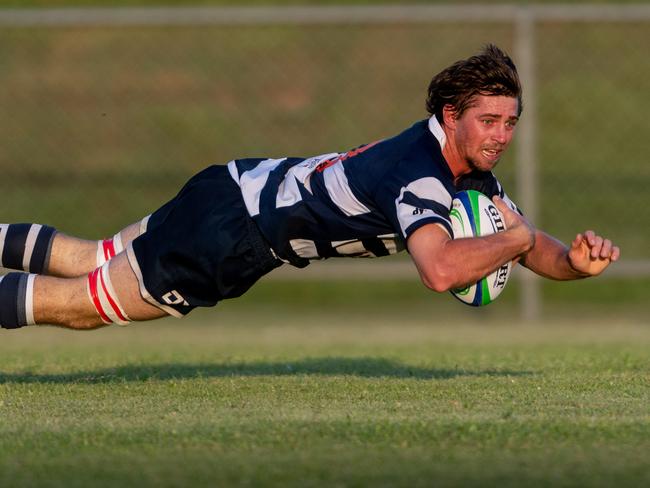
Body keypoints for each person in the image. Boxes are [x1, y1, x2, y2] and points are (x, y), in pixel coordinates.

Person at [0, 44, 619, 331]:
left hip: (233, 185)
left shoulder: (462, 165)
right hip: (235, 236)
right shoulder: (422, 177)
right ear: (451, 116)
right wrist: (511, 243)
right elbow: (441, 269)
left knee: (96, 258)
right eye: (490, 121)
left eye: (511, 122)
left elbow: (522, 237)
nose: (503, 135)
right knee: (88, 306)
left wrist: (571, 262)